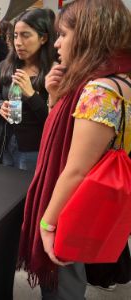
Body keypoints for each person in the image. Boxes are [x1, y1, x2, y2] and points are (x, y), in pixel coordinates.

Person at [17, 1, 131, 299]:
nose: (57, 43)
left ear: (88, 36)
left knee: (61, 281)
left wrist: (46, 221)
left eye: (63, 34)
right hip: (91, 202)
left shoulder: (99, 89)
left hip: (72, 205)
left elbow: (76, 168)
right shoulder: (117, 79)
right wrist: (55, 97)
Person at [0, 8, 56, 171]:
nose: (18, 42)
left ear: (43, 38)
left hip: (34, 149)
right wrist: (0, 107)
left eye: (25, 35)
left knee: (27, 194)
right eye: (15, 35)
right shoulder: (5, 66)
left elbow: (53, 122)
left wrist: (32, 95)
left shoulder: (53, 73)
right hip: (4, 143)